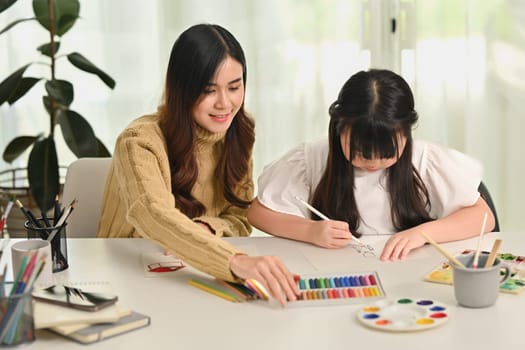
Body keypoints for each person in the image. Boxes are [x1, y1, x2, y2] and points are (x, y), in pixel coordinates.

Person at [97, 24, 299, 305]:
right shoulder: (138, 141)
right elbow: (154, 216)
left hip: (192, 273)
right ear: (182, 89)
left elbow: (240, 218)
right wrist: (236, 261)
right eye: (209, 90)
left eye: (234, 87)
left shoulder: (238, 132)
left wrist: (207, 228)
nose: (225, 103)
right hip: (128, 274)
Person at [247, 69, 495, 261]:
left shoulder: (426, 160)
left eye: (387, 153)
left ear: (406, 133)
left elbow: (483, 216)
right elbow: (258, 212)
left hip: (410, 279)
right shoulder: (312, 158)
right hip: (339, 278)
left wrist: (423, 233)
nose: (374, 163)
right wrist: (310, 231)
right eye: (361, 153)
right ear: (339, 128)